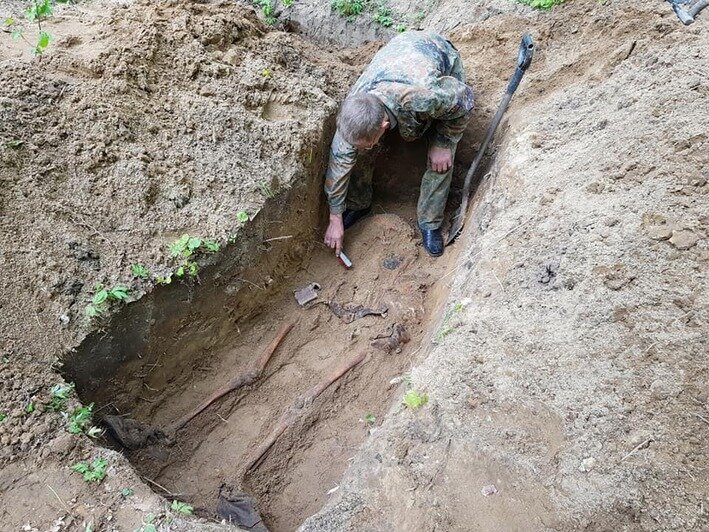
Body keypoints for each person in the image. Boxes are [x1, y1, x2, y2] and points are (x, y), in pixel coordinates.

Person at [323, 31, 474, 257]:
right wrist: (335, 217)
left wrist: (443, 141)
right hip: (397, 53)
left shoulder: (425, 96)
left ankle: (430, 222)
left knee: (440, 160)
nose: (359, 148)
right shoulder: (355, 107)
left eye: (369, 141)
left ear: (384, 126)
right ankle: (359, 203)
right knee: (357, 152)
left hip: (437, 54)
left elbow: (464, 100)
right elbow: (339, 162)